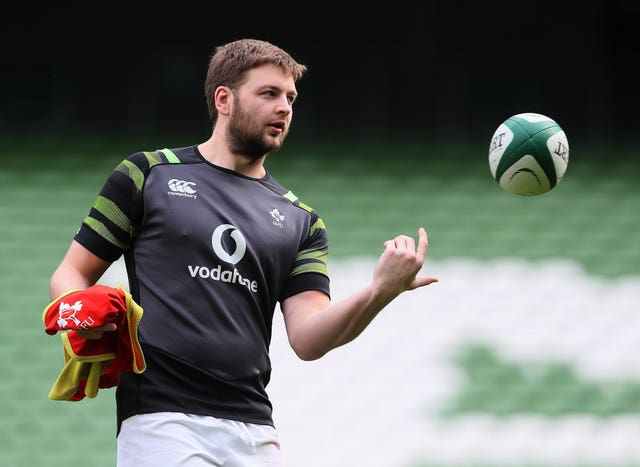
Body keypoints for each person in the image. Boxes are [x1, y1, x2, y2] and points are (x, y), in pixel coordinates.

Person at [48, 38, 439, 466]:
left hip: (254, 431)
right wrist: (77, 308)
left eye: (290, 97)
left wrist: (379, 293)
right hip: (163, 419)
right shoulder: (146, 174)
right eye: (269, 93)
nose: (285, 107)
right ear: (224, 99)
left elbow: (308, 340)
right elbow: (72, 272)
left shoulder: (302, 220)